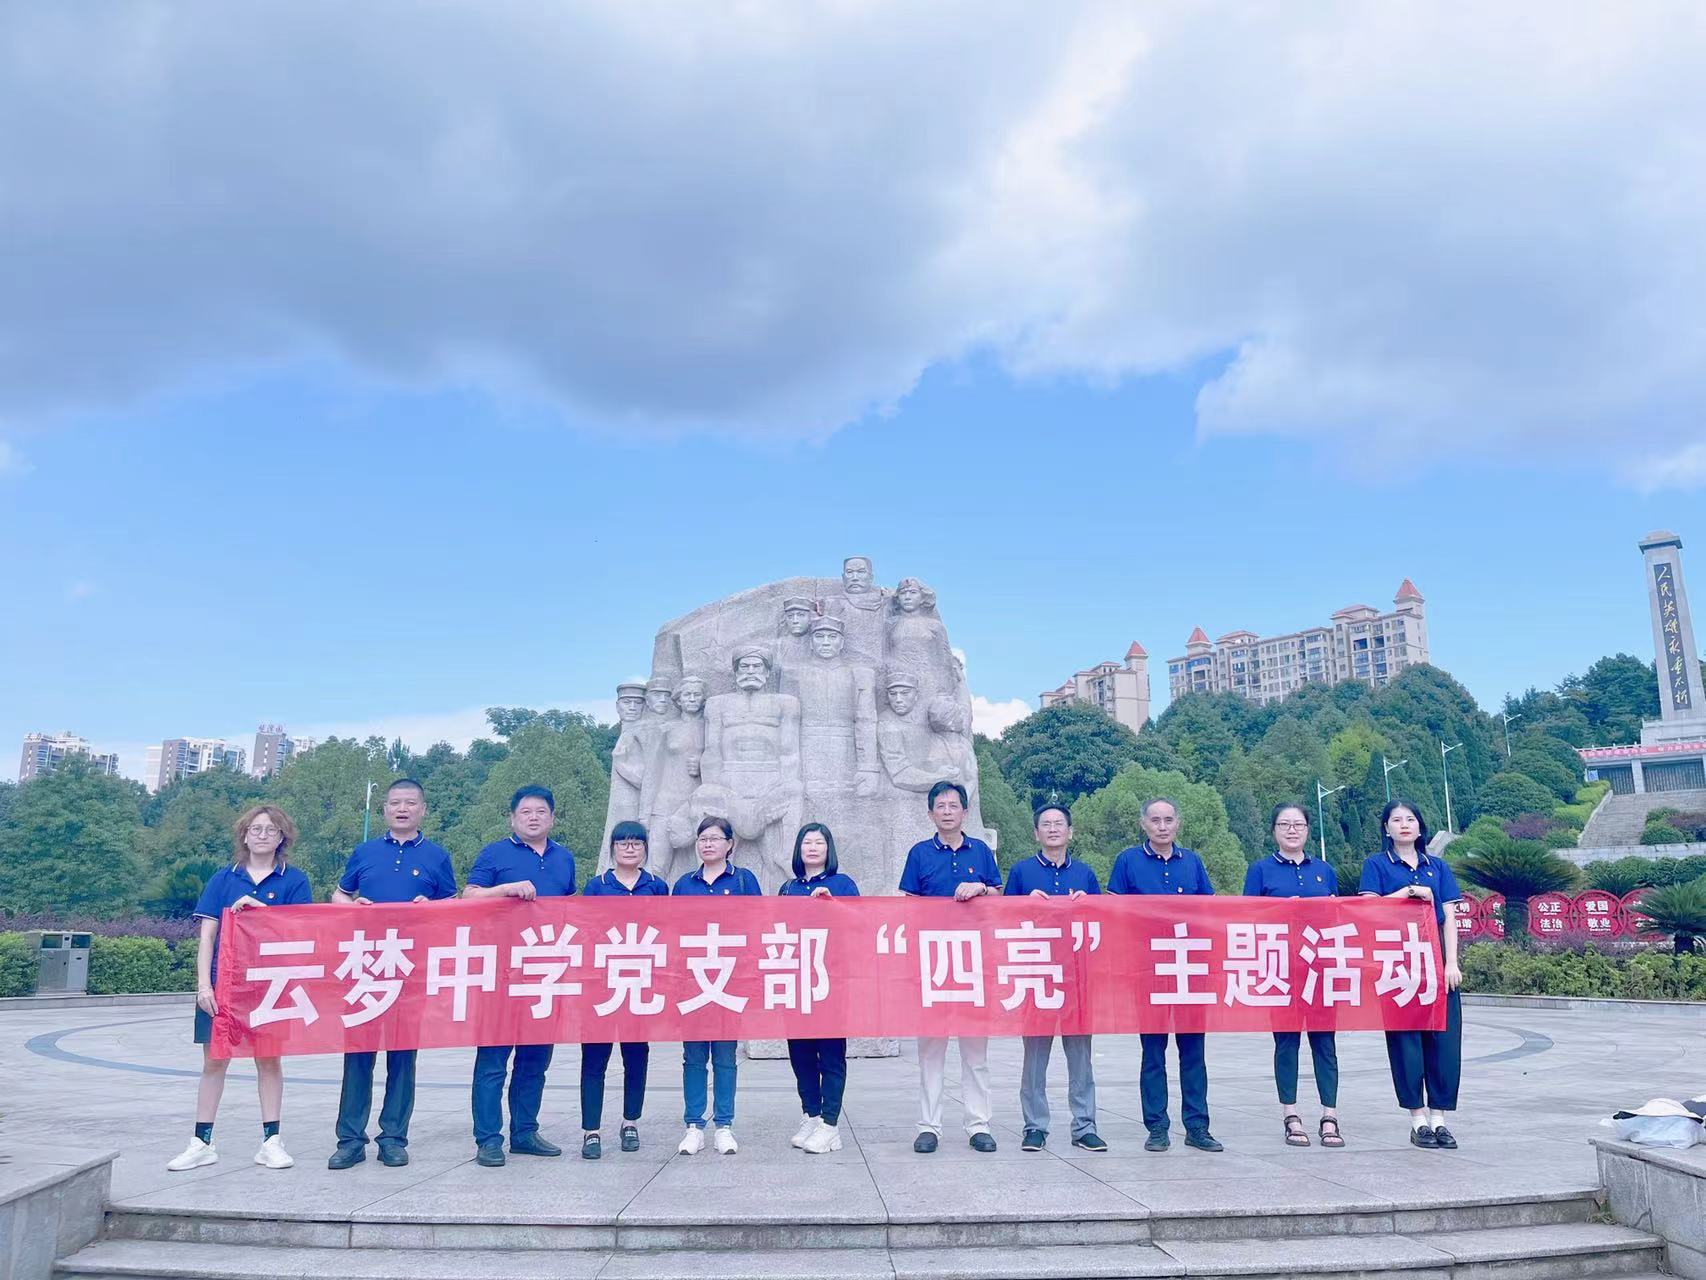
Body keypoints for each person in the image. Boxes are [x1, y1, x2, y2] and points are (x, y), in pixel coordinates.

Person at [167, 805, 311, 1172]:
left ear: (282, 837)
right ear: (244, 835)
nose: (262, 835)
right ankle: (201, 1142)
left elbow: (300, 932)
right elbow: (207, 937)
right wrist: (204, 986)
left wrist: (260, 909)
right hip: (224, 985)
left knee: (269, 1061)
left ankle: (271, 1141)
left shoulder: (294, 881)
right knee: (214, 1061)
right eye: (255, 829)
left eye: (271, 829)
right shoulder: (223, 879)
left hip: (270, 986)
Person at [327, 779, 458, 1170]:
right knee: (358, 1056)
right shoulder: (365, 852)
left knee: (402, 1057)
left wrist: (431, 908)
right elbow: (339, 895)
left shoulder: (436, 856)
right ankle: (350, 1140)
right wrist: (352, 906)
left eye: (410, 803)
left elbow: (453, 906)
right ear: (384, 809)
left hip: (409, 970)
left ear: (423, 810)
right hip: (365, 968)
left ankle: (393, 1138)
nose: (403, 808)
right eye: (396, 802)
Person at [464, 785, 578, 1167]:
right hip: (501, 972)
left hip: (545, 971)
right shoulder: (495, 853)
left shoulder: (564, 858)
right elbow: (468, 897)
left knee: (535, 1061)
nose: (533, 817)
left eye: (541, 811)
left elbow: (571, 909)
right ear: (512, 818)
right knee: (493, 1061)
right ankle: (488, 1139)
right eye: (526, 811)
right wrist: (506, 889)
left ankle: (525, 1132)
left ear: (552, 818)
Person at [1108, 797, 1222, 1153]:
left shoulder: (1192, 861)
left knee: (1193, 1052)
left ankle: (1197, 1126)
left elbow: (1209, 910)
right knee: (1153, 1052)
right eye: (1155, 820)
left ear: (1178, 823)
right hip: (1149, 970)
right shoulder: (1128, 861)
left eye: (1168, 819)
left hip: (1189, 968)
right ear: (1143, 823)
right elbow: (1113, 912)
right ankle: (1157, 1126)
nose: (1162, 826)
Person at [899, 780, 1001, 1153]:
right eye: (940, 806)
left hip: (974, 963)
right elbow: (909, 906)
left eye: (953, 805)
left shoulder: (982, 852)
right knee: (931, 1051)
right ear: (930, 814)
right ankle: (929, 1126)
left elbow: (999, 896)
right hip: (934, 964)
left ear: (964, 812)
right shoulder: (919, 854)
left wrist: (980, 888)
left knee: (975, 1052)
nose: (947, 811)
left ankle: (978, 1124)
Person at [1359, 799, 1464, 1150]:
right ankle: (1418, 1120)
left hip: (1436, 961)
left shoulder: (1438, 867)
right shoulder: (1376, 865)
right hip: (1397, 963)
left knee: (1444, 1043)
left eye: (1410, 819)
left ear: (1420, 827)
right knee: (1406, 1044)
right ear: (1386, 828)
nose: (1404, 825)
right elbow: (1368, 911)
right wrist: (1404, 893)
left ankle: (1440, 1119)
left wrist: (1452, 963)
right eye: (1396, 820)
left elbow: (1449, 918)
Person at [1004, 802, 1106, 1153]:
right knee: (1034, 1058)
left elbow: (1101, 923)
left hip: (1076, 976)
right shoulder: (1021, 872)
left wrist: (1088, 903)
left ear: (1070, 832)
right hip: (1036, 974)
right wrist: (1024, 903)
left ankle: (1085, 1126)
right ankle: (1035, 1126)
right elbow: (1002, 918)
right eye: (1045, 824)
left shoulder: (1085, 874)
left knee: (1080, 1057)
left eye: (1059, 824)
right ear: (1036, 833)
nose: (1052, 829)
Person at [1243, 803, 1343, 1149]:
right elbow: (1247, 917)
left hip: (1320, 967)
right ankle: (1291, 1114)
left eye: (1298, 824)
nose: (1291, 830)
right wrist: (1282, 909)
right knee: (1286, 1042)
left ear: (1307, 830)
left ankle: (1329, 1116)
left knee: (1325, 1043)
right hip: (1281, 969)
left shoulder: (1324, 870)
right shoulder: (1260, 870)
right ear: (1274, 830)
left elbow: (1337, 917)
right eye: (1284, 824)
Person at [672, 815, 763, 1154]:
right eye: (702, 838)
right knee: (693, 1057)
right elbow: (673, 932)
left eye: (714, 838)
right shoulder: (684, 884)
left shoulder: (743, 880)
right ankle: (694, 1125)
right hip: (693, 982)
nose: (707, 844)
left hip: (729, 981)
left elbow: (758, 925)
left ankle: (724, 1125)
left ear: (729, 844)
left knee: (725, 1056)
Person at [579, 820, 669, 1159]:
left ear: (645, 848)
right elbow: (586, 931)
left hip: (640, 985)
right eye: (622, 843)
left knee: (636, 1056)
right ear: (612, 848)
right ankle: (591, 1130)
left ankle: (630, 1122)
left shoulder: (656, 886)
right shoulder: (597, 886)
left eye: (636, 843)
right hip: (602, 985)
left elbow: (667, 930)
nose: (629, 849)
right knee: (594, 1059)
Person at [778, 822, 860, 1155]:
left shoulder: (842, 884)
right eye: (807, 843)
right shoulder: (788, 888)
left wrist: (833, 904)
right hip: (796, 981)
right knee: (800, 1054)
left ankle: (830, 1124)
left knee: (830, 1055)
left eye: (819, 843)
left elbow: (860, 923)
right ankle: (810, 1115)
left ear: (829, 849)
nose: (812, 848)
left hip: (831, 983)